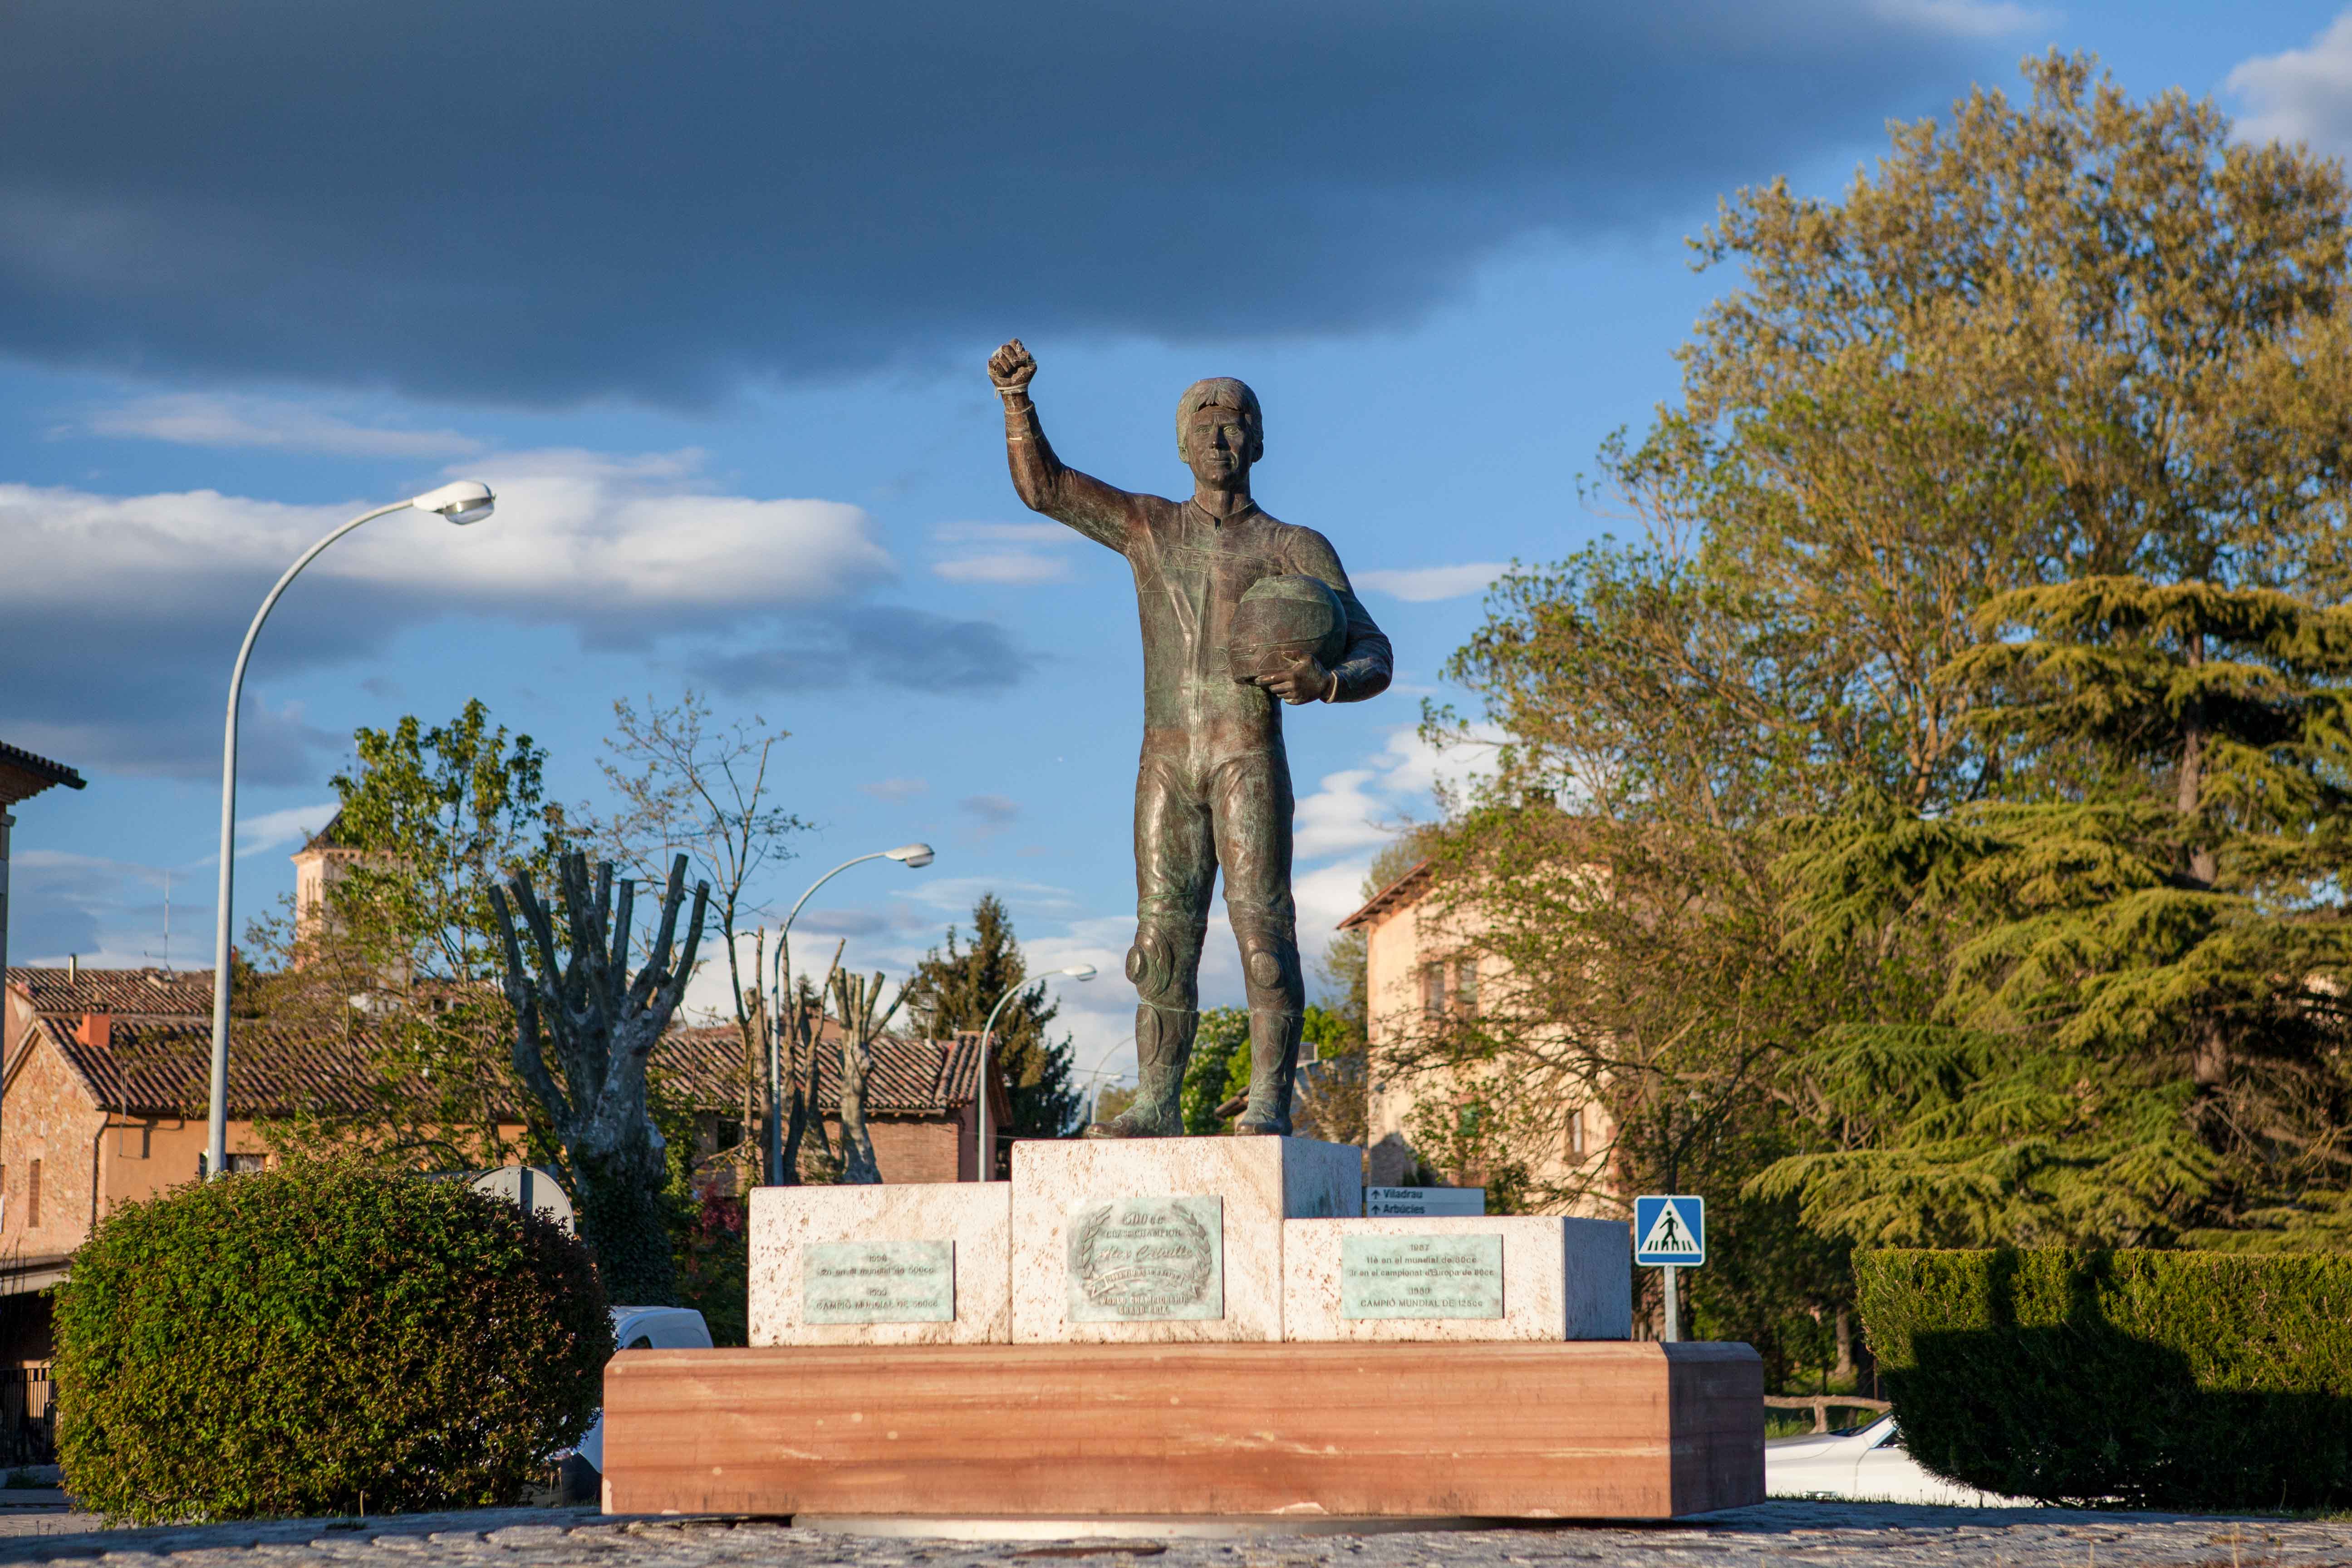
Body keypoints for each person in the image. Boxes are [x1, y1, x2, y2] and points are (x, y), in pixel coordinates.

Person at [988, 338, 1392, 1136]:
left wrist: (1328, 682)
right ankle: (1156, 1102)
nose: (1219, 437)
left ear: (1260, 442)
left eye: (1236, 423)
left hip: (1248, 754)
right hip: (1167, 759)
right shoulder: (1149, 526)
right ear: (1181, 444)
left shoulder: (1295, 548)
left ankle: (1271, 1101)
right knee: (1161, 940)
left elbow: (1376, 652)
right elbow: (1048, 489)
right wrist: (1016, 404)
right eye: (1204, 424)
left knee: (1264, 937)